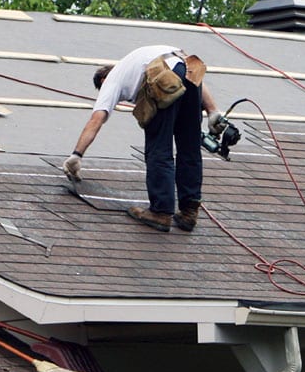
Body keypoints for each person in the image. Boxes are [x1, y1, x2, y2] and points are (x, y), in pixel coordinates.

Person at [63, 45, 224, 232]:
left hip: (164, 76)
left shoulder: (112, 80)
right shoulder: (138, 61)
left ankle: (161, 212)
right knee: (189, 146)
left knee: (159, 147)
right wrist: (213, 111)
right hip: (188, 69)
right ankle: (189, 212)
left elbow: (96, 119)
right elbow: (190, 72)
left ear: (102, 79)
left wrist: (77, 155)